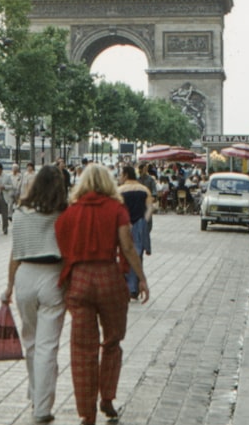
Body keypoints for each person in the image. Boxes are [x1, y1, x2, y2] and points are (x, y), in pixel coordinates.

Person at [55, 164, 149, 425]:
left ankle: (87, 412)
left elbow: (62, 248)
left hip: (80, 281)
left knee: (82, 349)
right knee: (112, 341)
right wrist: (140, 278)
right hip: (109, 277)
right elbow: (127, 247)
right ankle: (107, 396)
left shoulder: (70, 212)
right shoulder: (116, 209)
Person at [4, 165, 69, 424]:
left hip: (25, 276)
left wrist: (9, 286)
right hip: (53, 275)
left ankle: (34, 391)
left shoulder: (20, 213)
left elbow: (14, 254)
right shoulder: (63, 214)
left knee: (30, 340)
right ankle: (42, 406)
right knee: (47, 346)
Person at [118, 165, 153, 300]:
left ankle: (128, 286)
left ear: (126, 175)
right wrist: (144, 220)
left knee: (125, 254)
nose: (119, 178)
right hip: (139, 225)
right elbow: (150, 207)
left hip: (125, 225)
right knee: (138, 255)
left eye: (121, 175)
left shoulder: (119, 191)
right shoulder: (144, 189)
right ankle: (135, 286)